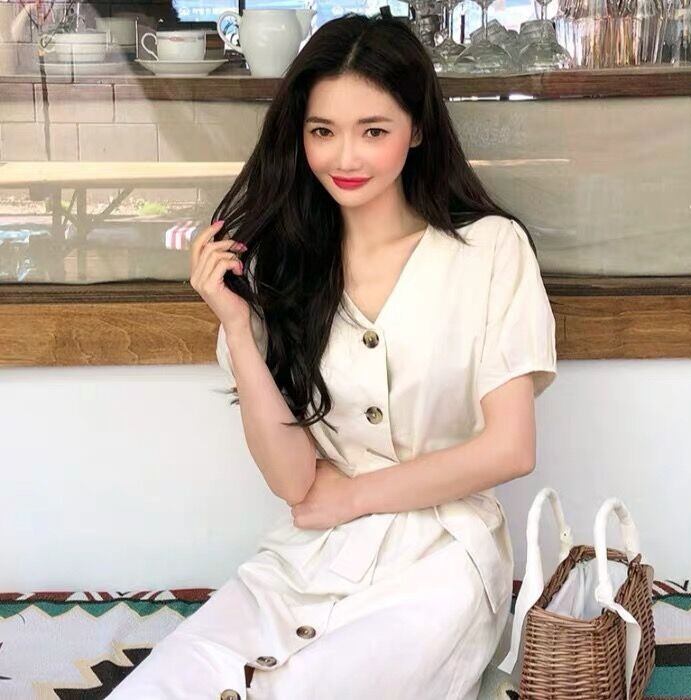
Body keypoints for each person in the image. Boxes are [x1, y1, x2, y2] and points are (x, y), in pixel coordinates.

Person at [106, 12, 557, 700]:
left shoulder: (490, 250)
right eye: (323, 132)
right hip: (306, 560)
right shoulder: (278, 269)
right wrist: (237, 327)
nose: (345, 158)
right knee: (166, 685)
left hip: (442, 559)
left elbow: (510, 449)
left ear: (418, 130)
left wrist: (352, 495)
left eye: (373, 131)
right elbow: (294, 482)